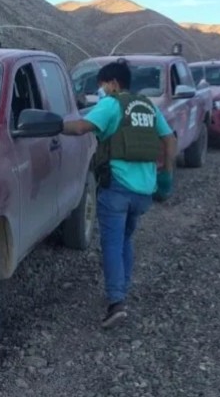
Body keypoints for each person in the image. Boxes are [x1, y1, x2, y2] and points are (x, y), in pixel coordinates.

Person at [61, 60, 177, 328]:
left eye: (102, 85)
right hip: (143, 191)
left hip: (117, 189)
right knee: (125, 239)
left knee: (112, 243)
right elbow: (169, 139)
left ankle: (116, 302)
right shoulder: (147, 106)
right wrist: (167, 173)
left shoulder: (112, 105)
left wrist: (56, 125)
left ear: (113, 83)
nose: (100, 90)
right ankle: (122, 288)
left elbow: (81, 128)